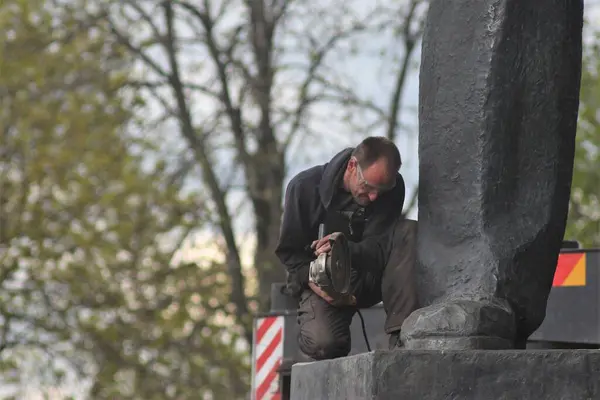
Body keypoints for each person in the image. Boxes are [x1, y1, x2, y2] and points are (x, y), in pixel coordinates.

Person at [275, 136, 419, 360]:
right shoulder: (303, 188)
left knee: (409, 231)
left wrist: (344, 249)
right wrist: (314, 281)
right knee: (323, 344)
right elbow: (290, 254)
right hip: (323, 284)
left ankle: (405, 339)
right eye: (368, 187)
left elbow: (381, 247)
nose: (373, 197)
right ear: (352, 166)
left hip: (371, 276)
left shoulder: (391, 189)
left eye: (381, 190)